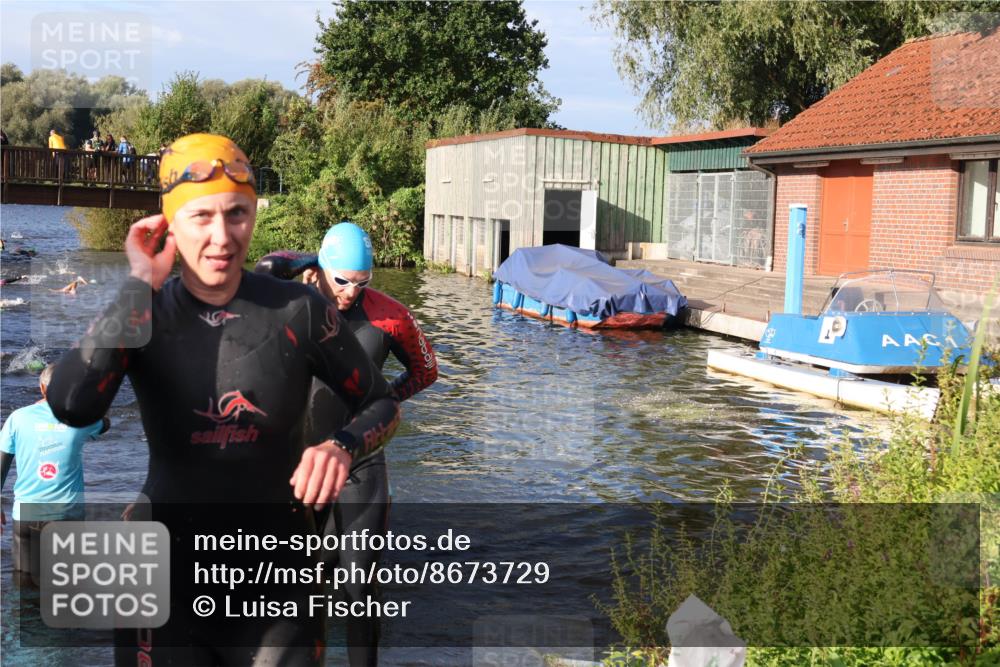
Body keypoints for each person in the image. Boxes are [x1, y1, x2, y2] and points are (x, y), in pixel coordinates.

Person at [46, 133, 400, 666]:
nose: (221, 236)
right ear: (169, 222)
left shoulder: (298, 309)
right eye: (201, 216)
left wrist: (342, 446)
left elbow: (382, 403)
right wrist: (138, 284)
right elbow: (72, 404)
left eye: (237, 214)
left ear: (253, 216)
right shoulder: (144, 312)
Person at [255, 222, 438, 666]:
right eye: (341, 280)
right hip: (302, 464)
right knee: (302, 579)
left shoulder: (390, 315)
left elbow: (426, 370)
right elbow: (264, 270)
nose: (351, 292)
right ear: (320, 267)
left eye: (362, 282)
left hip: (361, 461)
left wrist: (384, 401)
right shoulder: (291, 303)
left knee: (359, 587)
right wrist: (310, 261)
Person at [1, 364, 110, 578]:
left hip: (26, 515)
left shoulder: (18, 418)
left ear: (42, 388)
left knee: (25, 583)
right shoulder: (81, 419)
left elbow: (2, 462)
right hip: (67, 515)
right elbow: (105, 424)